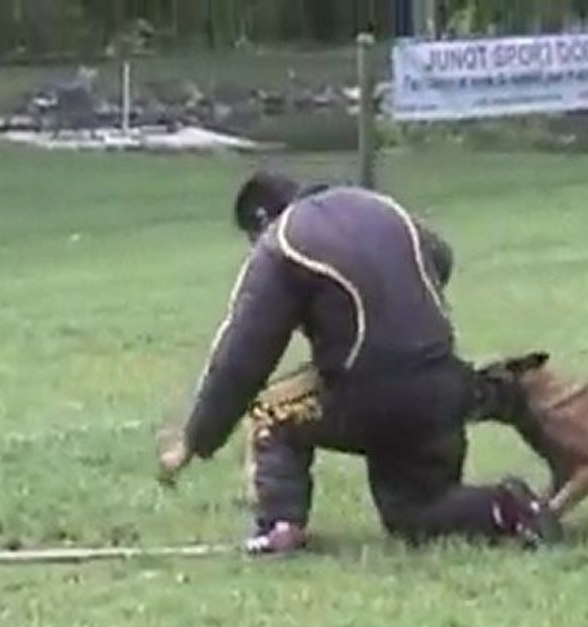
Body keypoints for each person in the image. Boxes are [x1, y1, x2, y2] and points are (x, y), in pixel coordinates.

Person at [157, 170, 562, 556]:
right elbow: (440, 257)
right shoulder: (380, 207)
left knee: (271, 411)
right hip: (441, 383)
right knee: (415, 512)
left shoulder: (282, 242)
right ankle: (506, 508)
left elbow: (243, 356)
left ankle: (280, 528)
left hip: (371, 392)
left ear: (260, 222)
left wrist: (195, 440)